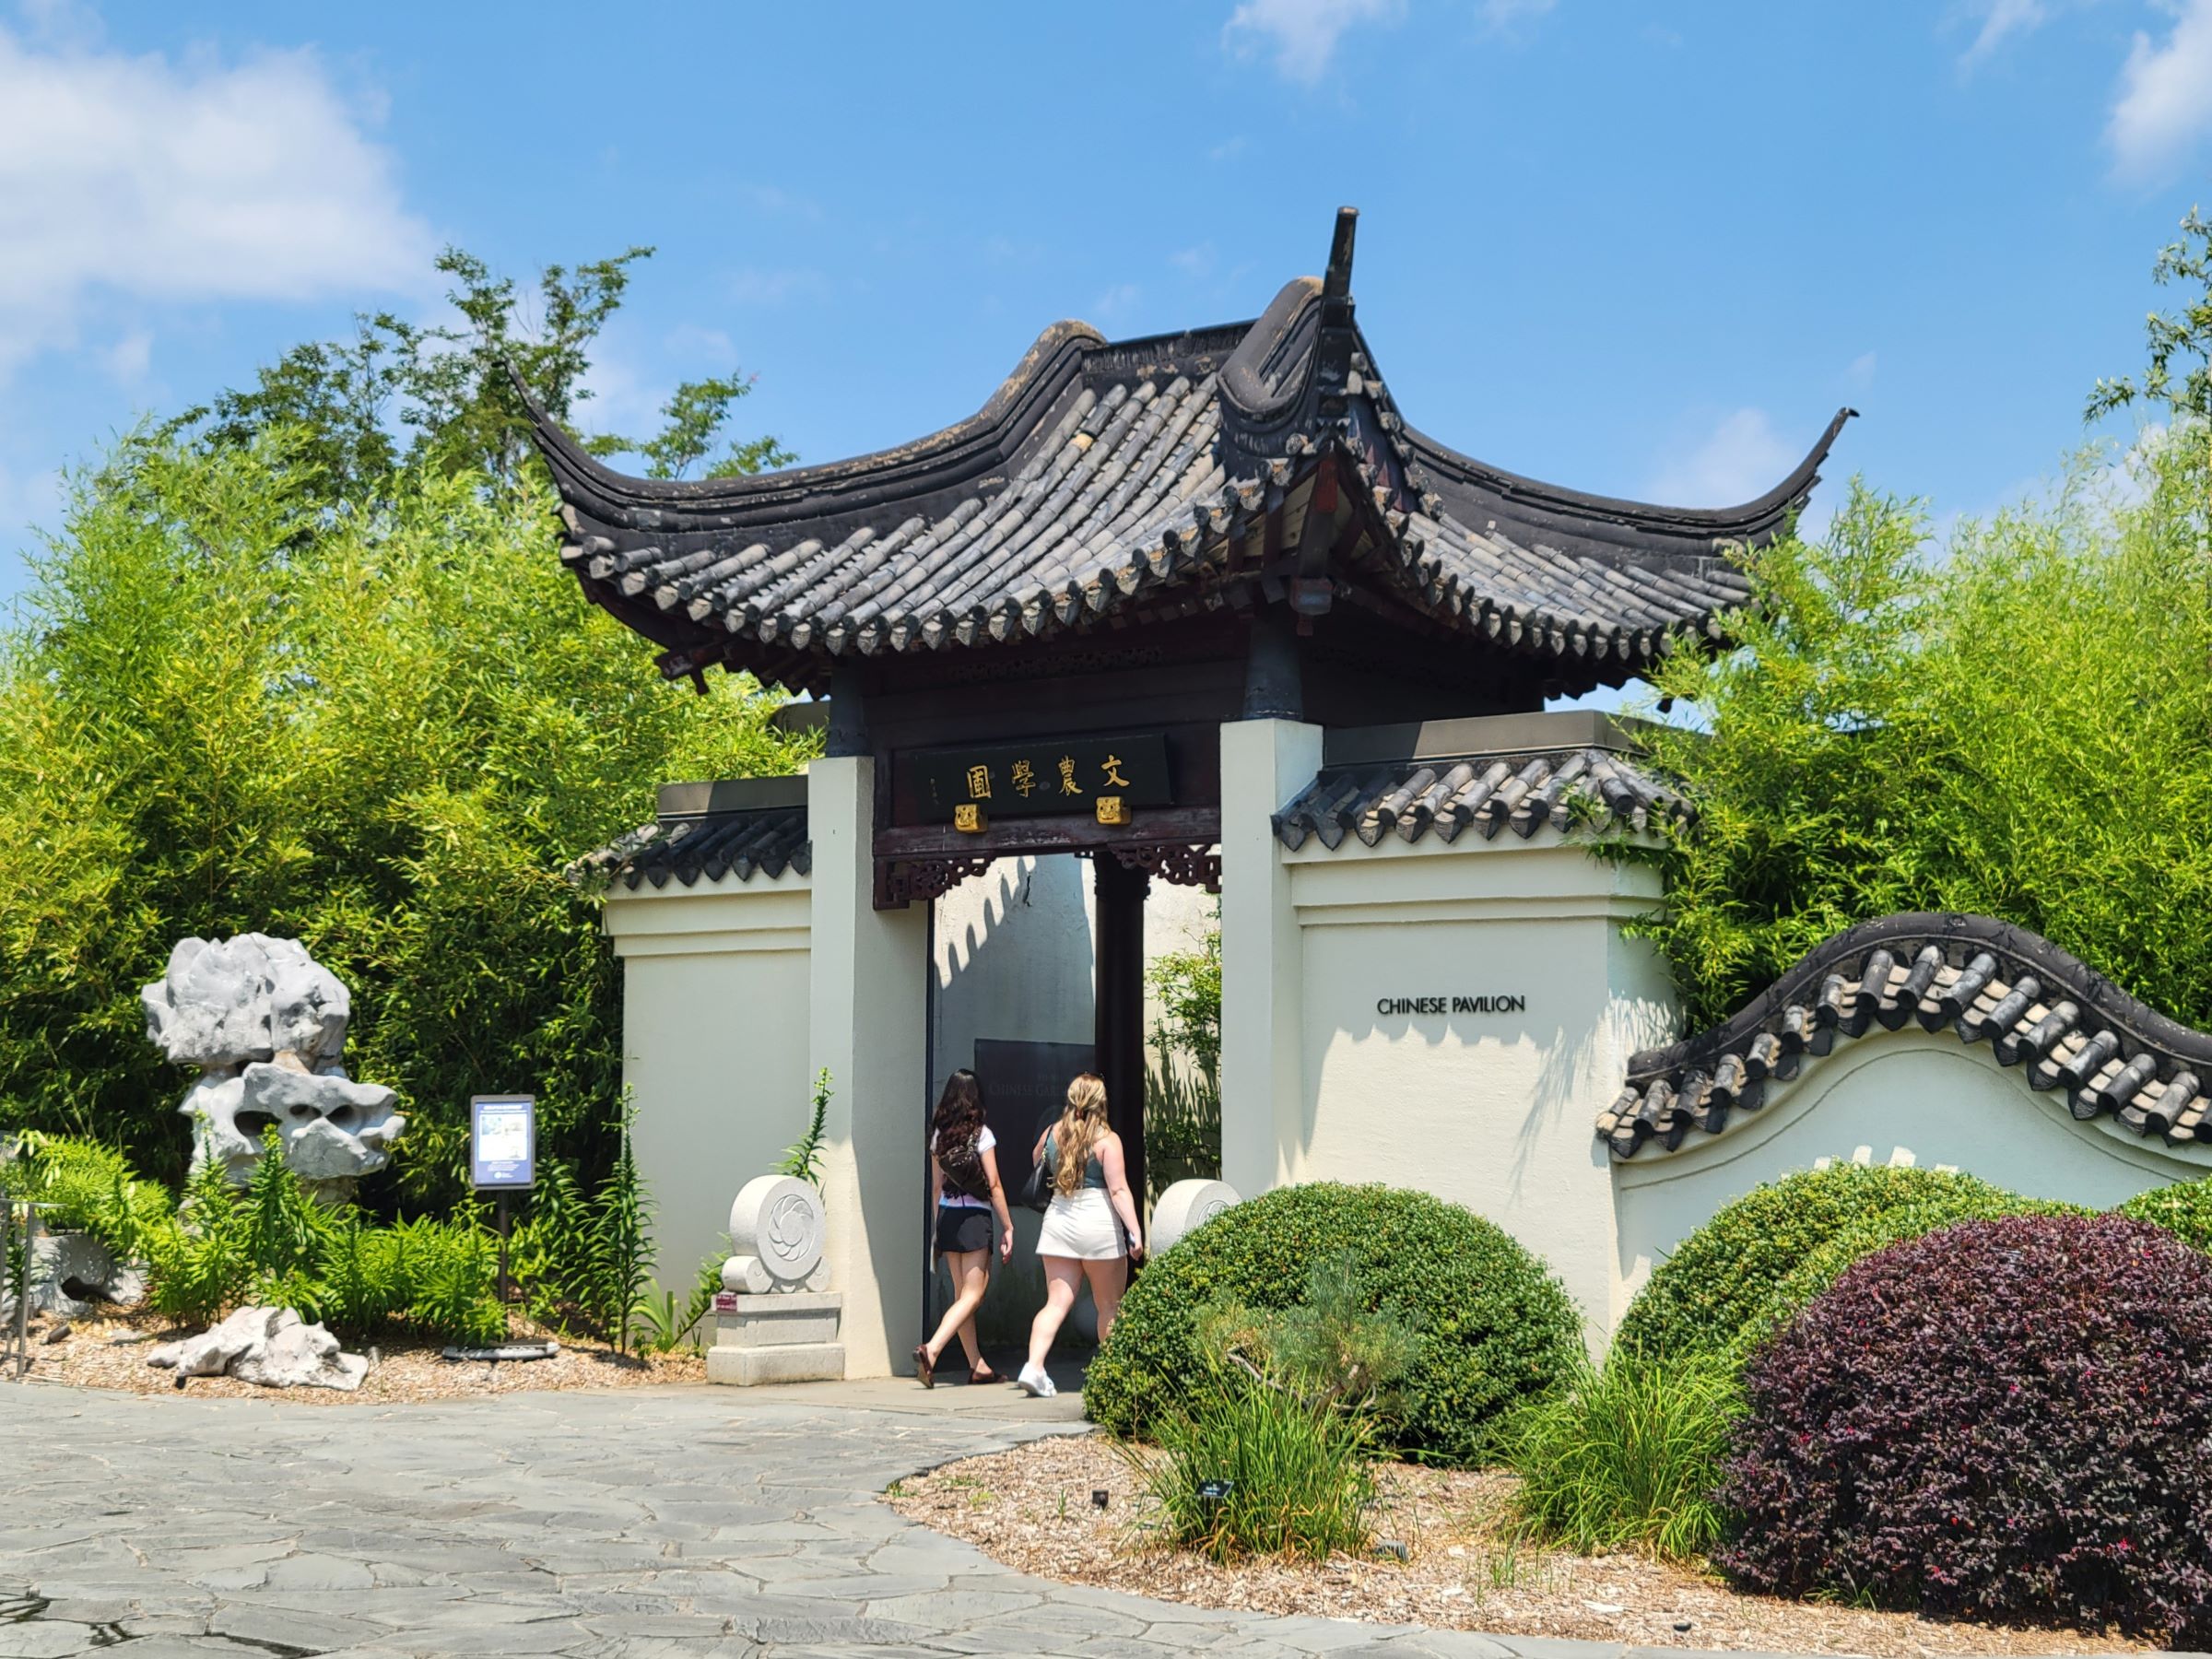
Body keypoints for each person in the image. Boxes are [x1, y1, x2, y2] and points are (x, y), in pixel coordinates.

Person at [1018, 1072, 1144, 1398]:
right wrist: (1134, 1231)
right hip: (1098, 1225)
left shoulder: (1052, 1133)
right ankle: (1112, 1376)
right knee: (1109, 1305)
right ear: (1101, 1102)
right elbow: (1117, 1190)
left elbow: (1036, 1161)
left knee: (1056, 1302)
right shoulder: (1107, 1140)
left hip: (1059, 1220)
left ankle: (1033, 1367)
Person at [914, 1068, 1013, 1387]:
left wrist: (937, 1226)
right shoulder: (982, 1134)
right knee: (974, 1294)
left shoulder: (938, 1135)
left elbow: (935, 1187)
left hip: (947, 1218)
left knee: (961, 1296)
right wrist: (1008, 1226)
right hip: (973, 1219)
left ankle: (978, 1366)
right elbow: (994, 1183)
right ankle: (933, 1349)